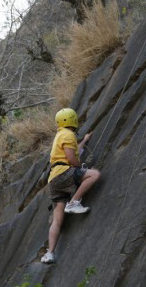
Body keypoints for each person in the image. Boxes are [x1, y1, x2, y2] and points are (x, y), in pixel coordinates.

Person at [41, 108, 101, 264]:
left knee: (57, 219)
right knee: (94, 174)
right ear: (72, 120)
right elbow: (71, 158)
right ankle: (74, 202)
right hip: (63, 173)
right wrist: (81, 167)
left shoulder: (60, 135)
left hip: (54, 180)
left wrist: (85, 141)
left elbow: (72, 150)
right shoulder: (68, 134)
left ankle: (49, 253)